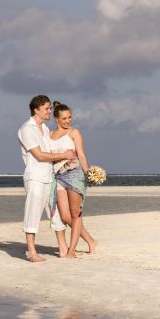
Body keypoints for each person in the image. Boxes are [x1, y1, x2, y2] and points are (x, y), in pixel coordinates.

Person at [18, 95, 76, 262]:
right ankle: (32, 252)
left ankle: (63, 248)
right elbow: (40, 155)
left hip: (49, 176)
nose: (50, 111)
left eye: (50, 108)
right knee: (33, 213)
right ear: (36, 110)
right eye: (47, 108)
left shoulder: (43, 128)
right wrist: (63, 154)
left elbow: (49, 154)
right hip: (35, 177)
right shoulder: (27, 129)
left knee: (56, 214)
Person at [48, 101, 97, 258]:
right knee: (65, 217)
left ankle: (71, 251)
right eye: (64, 118)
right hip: (59, 177)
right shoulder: (49, 135)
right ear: (56, 119)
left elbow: (81, 154)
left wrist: (88, 173)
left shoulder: (74, 132)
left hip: (75, 174)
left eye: (69, 117)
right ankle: (90, 240)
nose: (68, 121)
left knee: (75, 214)